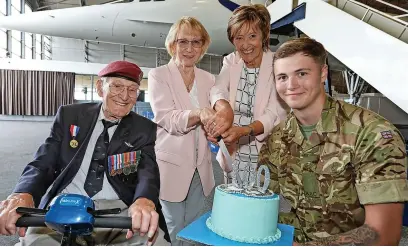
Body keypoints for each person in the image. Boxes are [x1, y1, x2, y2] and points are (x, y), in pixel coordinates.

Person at [0, 61, 170, 246]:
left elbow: (148, 171)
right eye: (117, 86)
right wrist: (24, 193)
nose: (124, 95)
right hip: (65, 204)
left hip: (117, 211)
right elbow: (44, 161)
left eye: (132, 90)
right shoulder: (69, 115)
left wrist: (144, 200)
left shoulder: (145, 129)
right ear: (100, 87)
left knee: (155, 243)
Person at [258, 37, 408, 245]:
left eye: (301, 73)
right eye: (282, 77)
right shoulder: (276, 139)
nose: (291, 85)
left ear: (323, 73)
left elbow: (382, 235)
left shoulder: (372, 134)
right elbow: (266, 207)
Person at [148, 17, 216, 245]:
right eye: (183, 42)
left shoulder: (208, 79)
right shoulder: (159, 76)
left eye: (196, 42)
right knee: (175, 228)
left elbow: (215, 115)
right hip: (172, 166)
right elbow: (166, 118)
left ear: (203, 46)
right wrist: (200, 114)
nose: (189, 49)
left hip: (202, 167)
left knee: (196, 226)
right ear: (172, 44)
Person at [206, 4, 287, 182]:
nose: (245, 45)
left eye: (252, 36)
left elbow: (274, 114)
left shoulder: (278, 64)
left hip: (266, 154)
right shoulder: (231, 60)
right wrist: (224, 110)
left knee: (261, 206)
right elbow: (217, 89)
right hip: (234, 154)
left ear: (264, 35)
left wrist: (244, 131)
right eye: (239, 37)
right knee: (235, 203)